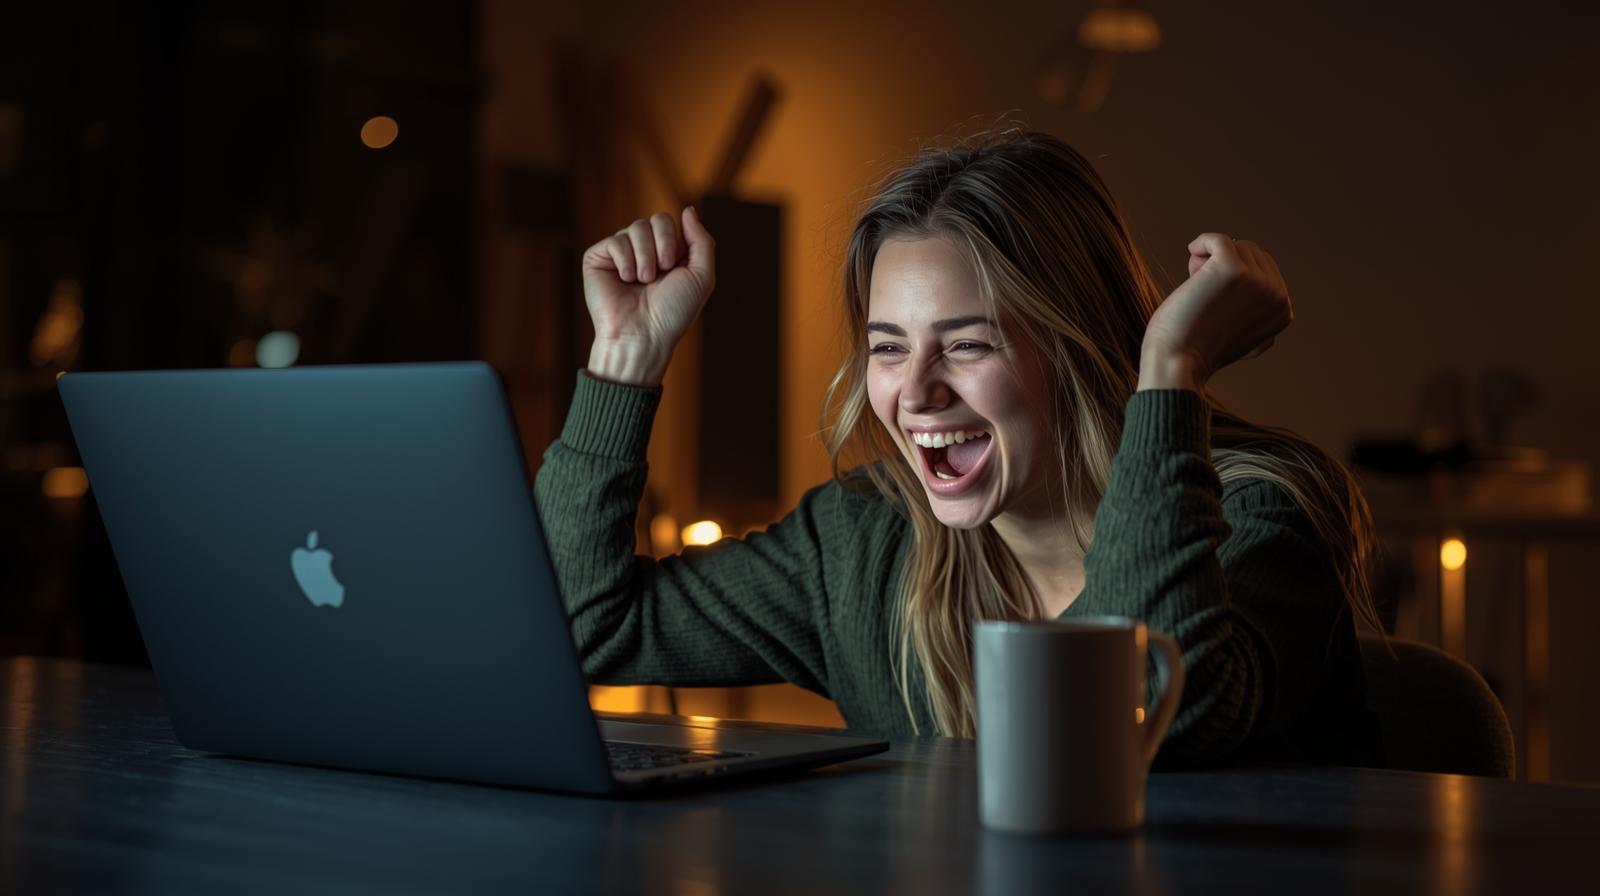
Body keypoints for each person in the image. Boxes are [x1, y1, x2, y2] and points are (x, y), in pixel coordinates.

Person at [535, 129, 1380, 767]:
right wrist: (625, 360)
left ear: (1079, 347)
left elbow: (1128, 727)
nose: (916, 393)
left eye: (969, 344)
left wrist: (1168, 374)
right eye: (888, 347)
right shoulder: (867, 542)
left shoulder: (1265, 511)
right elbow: (583, 629)